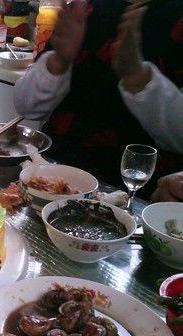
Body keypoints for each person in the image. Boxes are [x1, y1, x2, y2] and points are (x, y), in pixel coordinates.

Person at [13, 0, 183, 195]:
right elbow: (26, 106)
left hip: (134, 194)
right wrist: (58, 60)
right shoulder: (84, 9)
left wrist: (137, 77)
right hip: (52, 178)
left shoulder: (176, 18)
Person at [111, 4, 183, 202]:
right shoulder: (89, 9)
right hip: (56, 171)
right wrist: (58, 62)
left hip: (145, 196)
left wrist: (137, 77)